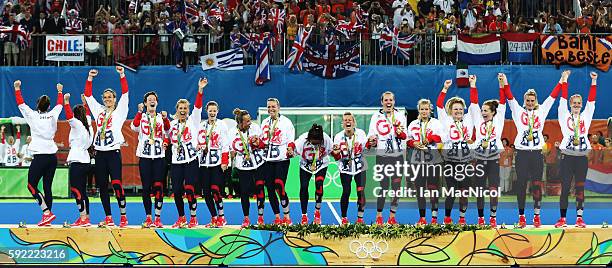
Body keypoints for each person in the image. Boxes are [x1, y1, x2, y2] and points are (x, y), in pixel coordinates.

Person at [505, 70, 561, 228]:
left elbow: (553, 97)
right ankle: (521, 216)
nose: (530, 103)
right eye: (528, 100)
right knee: (521, 184)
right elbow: (509, 97)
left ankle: (537, 215)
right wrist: (504, 82)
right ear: (525, 101)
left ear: (536, 100)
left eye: (532, 100)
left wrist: (562, 80)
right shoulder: (518, 112)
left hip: (536, 154)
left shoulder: (541, 111)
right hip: (522, 154)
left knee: (536, 185)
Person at [83, 67, 130, 227]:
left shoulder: (120, 111)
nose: (107, 99)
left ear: (114, 99)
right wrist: (89, 78)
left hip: (113, 153)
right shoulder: (99, 111)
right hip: (100, 154)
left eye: (110, 97)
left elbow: (125, 93)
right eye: (105, 97)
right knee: (102, 186)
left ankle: (123, 216)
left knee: (116, 183)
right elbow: (88, 95)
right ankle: (108, 217)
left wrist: (122, 75)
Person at [13, 80, 63, 226]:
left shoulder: (32, 116)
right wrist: (60, 91)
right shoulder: (53, 114)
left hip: (40, 156)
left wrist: (17, 88)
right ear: (48, 106)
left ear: (37, 105)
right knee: (47, 187)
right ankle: (47, 217)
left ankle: (47, 213)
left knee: (31, 185)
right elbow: (60, 104)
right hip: (52, 157)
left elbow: (20, 104)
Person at [554, 71, 598, 228]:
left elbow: (591, 101)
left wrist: (594, 81)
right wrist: (564, 80)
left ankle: (579, 218)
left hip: (581, 158)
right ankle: (563, 219)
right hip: (567, 157)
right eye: (575, 103)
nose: (577, 105)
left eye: (579, 103)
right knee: (565, 188)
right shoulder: (564, 114)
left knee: (580, 187)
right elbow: (563, 98)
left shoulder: (586, 115)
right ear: (570, 104)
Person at [469, 74, 507, 227]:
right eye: (482, 110)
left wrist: (501, 84)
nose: (483, 112)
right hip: (479, 160)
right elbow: (473, 102)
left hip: (493, 160)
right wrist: (473, 84)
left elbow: (503, 102)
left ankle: (492, 217)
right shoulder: (478, 120)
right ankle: (480, 218)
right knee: (479, 190)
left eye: (486, 110)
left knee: (493, 189)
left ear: (493, 112)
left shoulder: (498, 120)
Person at [168, 78, 206, 228]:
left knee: (189, 189)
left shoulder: (193, 121)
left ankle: (194, 218)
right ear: (177, 110)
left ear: (188, 110)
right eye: (180, 108)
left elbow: (198, 106)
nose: (183, 111)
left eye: (185, 108)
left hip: (191, 161)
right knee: (176, 191)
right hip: (177, 162)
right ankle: (181, 217)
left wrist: (200, 90)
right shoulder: (172, 125)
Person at [436, 79, 474, 225]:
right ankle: (447, 217)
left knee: (464, 191)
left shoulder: (469, 120)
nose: (458, 111)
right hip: (450, 161)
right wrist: (445, 88)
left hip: (465, 161)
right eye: (455, 109)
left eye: (460, 109)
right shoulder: (446, 121)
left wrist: (472, 86)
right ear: (450, 111)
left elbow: (474, 103)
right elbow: (439, 104)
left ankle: (462, 218)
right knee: (451, 190)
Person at [131, 91, 171, 228]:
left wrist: (166, 119)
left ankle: (158, 218)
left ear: (157, 103)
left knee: (159, 187)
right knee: (146, 188)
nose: (152, 101)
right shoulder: (141, 117)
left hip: (159, 157)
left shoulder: (161, 117)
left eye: (154, 99)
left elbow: (168, 131)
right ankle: (148, 217)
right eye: (149, 99)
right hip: (145, 157)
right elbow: (134, 127)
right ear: (145, 103)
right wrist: (138, 112)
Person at [368, 91, 407, 225]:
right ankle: (379, 216)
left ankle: (392, 217)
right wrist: (372, 140)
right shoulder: (376, 116)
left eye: (390, 100)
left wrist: (399, 132)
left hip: (397, 157)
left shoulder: (400, 115)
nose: (388, 102)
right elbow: (371, 136)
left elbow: (405, 136)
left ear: (394, 102)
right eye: (386, 100)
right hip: (382, 156)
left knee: (396, 188)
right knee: (383, 187)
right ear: (382, 102)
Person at [407, 98, 443, 225]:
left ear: (430, 110)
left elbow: (440, 138)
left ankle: (434, 218)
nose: (424, 111)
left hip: (433, 161)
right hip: (417, 161)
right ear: (419, 110)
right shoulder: (412, 124)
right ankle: (422, 218)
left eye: (426, 109)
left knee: (433, 189)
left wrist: (430, 138)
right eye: (422, 109)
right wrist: (414, 143)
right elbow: (407, 140)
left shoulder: (436, 123)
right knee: (420, 190)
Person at [259, 98, 295, 225]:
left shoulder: (286, 122)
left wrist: (291, 148)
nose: (271, 109)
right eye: (269, 107)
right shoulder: (264, 122)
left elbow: (291, 140)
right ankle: (277, 217)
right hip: (268, 160)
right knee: (270, 189)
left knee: (279, 186)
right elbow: (262, 141)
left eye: (273, 107)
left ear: (278, 107)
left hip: (281, 159)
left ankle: (287, 216)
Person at [229, 108, 266, 227]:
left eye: (250, 120)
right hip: (243, 166)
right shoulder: (231, 132)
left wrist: (257, 144)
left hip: (258, 164)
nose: (250, 123)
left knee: (260, 189)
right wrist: (232, 153)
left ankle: (260, 217)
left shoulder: (255, 128)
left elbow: (264, 145)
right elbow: (230, 148)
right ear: (240, 123)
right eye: (247, 121)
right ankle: (246, 218)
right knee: (244, 193)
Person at [63, 93, 94, 227]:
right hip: (85, 161)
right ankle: (86, 217)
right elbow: (87, 114)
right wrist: (85, 102)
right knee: (82, 191)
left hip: (77, 161)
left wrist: (66, 102)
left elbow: (69, 116)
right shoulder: (89, 126)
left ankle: (82, 217)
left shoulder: (76, 124)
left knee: (76, 190)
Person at [197, 101, 230, 227]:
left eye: (214, 110)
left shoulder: (222, 125)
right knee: (206, 193)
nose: (212, 113)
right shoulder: (202, 125)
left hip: (217, 164)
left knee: (215, 190)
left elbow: (225, 144)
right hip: (204, 164)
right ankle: (214, 217)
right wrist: (200, 147)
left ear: (217, 111)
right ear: (207, 111)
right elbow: (198, 142)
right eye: (210, 110)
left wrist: (225, 161)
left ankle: (222, 216)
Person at [331, 112, 368, 224]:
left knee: (361, 192)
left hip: (360, 167)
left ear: (354, 122)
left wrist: (371, 143)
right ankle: (344, 218)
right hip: (345, 168)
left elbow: (367, 149)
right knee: (346, 192)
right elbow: (336, 157)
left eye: (350, 120)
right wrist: (336, 153)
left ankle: (360, 218)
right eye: (345, 120)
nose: (348, 122)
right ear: (342, 123)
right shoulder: (338, 136)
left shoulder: (361, 133)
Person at [294, 124, 332, 225]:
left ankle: (317, 212)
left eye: (317, 143)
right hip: (305, 165)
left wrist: (336, 151)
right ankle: (304, 215)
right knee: (304, 187)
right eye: (313, 143)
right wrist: (290, 150)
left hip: (321, 164)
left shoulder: (326, 139)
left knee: (319, 185)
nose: (315, 145)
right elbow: (293, 148)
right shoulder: (302, 140)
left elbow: (333, 151)